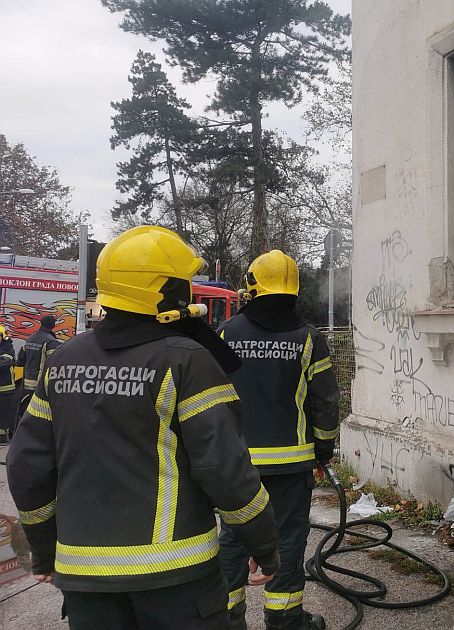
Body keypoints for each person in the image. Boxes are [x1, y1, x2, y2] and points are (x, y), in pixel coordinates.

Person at [7, 225, 280, 630]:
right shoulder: (187, 361)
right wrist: (264, 544)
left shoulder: (63, 359)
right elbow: (224, 469)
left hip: (86, 582)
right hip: (176, 577)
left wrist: (45, 550)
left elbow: (27, 466)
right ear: (167, 291)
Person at [217, 249, 340, 630]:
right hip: (291, 466)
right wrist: (323, 451)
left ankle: (225, 617)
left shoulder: (225, 334)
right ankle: (286, 620)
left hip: (236, 464)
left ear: (253, 288)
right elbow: (326, 402)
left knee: (235, 538)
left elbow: (208, 399)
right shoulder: (308, 339)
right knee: (287, 539)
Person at [15, 314, 62, 424]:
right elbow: (54, 363)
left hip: (27, 382)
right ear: (53, 325)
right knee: (41, 413)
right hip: (41, 384)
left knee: (28, 408)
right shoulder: (50, 342)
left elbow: (21, 359)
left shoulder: (30, 339)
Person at [0, 325, 16, 443]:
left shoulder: (8, 349)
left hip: (5, 388)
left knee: (3, 415)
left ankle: (3, 438)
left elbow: (4, 363)